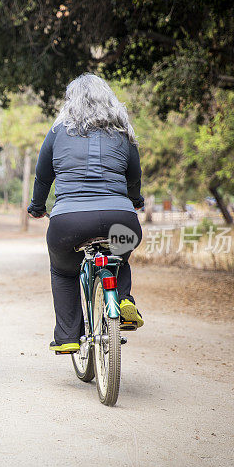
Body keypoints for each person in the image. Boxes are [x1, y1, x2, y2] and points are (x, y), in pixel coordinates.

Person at [27, 73, 145, 354]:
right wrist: (135, 201)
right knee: (119, 255)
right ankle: (124, 299)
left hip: (69, 222)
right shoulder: (123, 132)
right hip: (121, 219)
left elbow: (43, 177)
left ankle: (68, 335)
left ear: (70, 102)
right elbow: (134, 179)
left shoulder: (57, 132)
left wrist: (37, 207)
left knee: (64, 270)